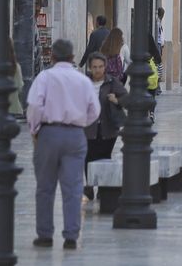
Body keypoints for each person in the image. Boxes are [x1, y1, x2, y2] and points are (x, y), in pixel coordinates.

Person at [26, 39, 99, 249]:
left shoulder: (45, 77)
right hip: (75, 135)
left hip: (48, 133)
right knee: (73, 187)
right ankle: (71, 235)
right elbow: (95, 110)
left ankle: (45, 234)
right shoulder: (82, 80)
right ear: (72, 57)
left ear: (53, 57)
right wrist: (80, 123)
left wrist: (35, 130)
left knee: (45, 187)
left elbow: (34, 107)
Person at [82, 53, 123, 202]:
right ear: (90, 68)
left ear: (105, 67)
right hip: (88, 127)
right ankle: (89, 187)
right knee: (88, 158)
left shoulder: (112, 82)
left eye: (100, 67)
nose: (98, 70)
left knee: (104, 158)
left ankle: (102, 188)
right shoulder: (84, 82)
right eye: (94, 67)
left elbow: (126, 98)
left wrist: (116, 100)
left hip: (108, 128)